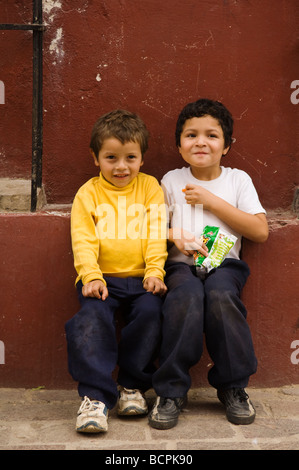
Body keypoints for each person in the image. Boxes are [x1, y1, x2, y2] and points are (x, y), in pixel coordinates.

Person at [148, 98, 269, 430]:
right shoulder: (171, 180)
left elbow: (260, 231)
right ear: (179, 144)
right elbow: (151, 226)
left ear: (227, 145)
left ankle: (233, 387)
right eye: (191, 135)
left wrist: (210, 200)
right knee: (185, 298)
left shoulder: (237, 180)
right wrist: (175, 235)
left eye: (212, 135)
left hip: (225, 266)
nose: (201, 142)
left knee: (220, 297)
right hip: (180, 268)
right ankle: (171, 391)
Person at [65, 109, 168, 433]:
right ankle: (96, 398)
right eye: (111, 157)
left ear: (141, 157)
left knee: (152, 314)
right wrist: (91, 275)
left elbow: (156, 232)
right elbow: (83, 238)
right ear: (96, 158)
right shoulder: (89, 193)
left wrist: (155, 272)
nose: (121, 166)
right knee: (89, 321)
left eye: (130, 157)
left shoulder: (150, 187)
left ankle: (131, 386)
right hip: (101, 280)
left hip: (141, 278)